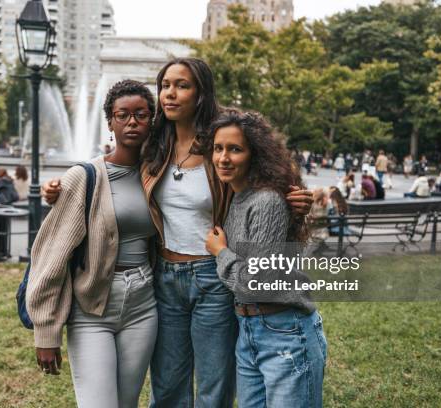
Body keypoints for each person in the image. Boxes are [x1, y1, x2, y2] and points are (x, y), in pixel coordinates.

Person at [41, 58, 314, 407]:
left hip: (212, 277)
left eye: (182, 85)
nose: (170, 93)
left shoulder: (220, 143)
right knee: (168, 385)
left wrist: (295, 202)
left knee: (214, 386)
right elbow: (114, 164)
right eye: (165, 85)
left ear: (201, 93)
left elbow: (260, 178)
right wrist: (61, 187)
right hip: (164, 277)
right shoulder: (154, 143)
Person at [27, 80, 159, 408]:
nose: (132, 122)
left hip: (143, 305)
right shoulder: (83, 177)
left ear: (152, 120)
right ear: (110, 121)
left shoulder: (158, 174)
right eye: (122, 115)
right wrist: (46, 332)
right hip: (92, 308)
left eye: (140, 115)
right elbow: (51, 256)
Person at [204, 110, 326, 407]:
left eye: (235, 149)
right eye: (218, 148)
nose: (223, 158)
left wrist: (221, 252)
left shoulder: (266, 201)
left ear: (254, 155)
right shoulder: (236, 198)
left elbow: (256, 283)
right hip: (248, 332)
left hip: (285, 332)